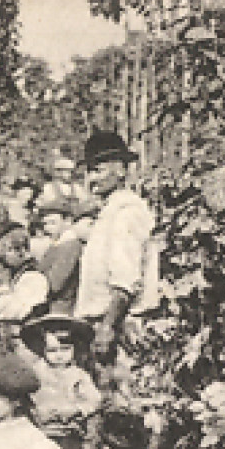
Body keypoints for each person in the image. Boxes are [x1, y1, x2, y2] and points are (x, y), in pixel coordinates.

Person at [74, 129, 162, 363]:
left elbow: (125, 280)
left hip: (118, 325)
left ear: (121, 170)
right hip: (101, 321)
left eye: (99, 170)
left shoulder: (127, 213)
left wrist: (106, 328)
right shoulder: (108, 212)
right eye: (89, 171)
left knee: (118, 392)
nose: (92, 179)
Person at [21, 314, 101, 449]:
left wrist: (77, 409)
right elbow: (26, 397)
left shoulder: (78, 374)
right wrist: (36, 411)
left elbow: (94, 400)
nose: (58, 355)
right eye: (52, 350)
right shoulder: (36, 373)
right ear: (42, 350)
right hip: (41, 429)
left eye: (65, 349)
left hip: (68, 429)